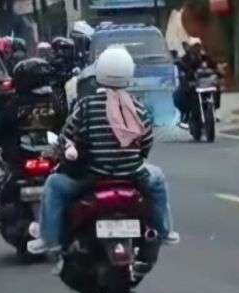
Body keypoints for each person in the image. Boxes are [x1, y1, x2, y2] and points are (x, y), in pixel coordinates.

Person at [28, 46, 178, 255]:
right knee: (158, 179)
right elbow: (146, 142)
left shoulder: (87, 106)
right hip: (133, 175)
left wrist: (62, 150)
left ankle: (49, 239)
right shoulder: (137, 106)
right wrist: (135, 158)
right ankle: (165, 231)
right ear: (129, 73)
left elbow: (67, 136)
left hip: (92, 176)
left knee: (53, 185)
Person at [0, 57, 64, 222]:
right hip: (51, 156)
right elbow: (66, 126)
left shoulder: (15, 104)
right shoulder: (56, 101)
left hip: (20, 157)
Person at [175, 37, 218, 122]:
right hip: (193, 85)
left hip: (206, 84)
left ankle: (215, 110)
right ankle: (186, 113)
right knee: (180, 94)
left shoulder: (205, 57)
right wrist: (185, 76)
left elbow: (214, 67)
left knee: (217, 89)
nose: (196, 48)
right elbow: (182, 71)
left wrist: (217, 74)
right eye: (194, 46)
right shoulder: (184, 59)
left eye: (198, 46)